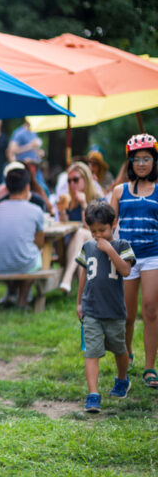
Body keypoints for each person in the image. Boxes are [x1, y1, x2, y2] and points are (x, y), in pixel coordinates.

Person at [75, 203, 135, 413]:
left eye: (102, 230)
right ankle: (93, 394)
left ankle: (122, 379)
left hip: (114, 311)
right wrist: (79, 301)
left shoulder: (122, 245)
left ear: (113, 224)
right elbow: (83, 274)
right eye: (93, 231)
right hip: (91, 309)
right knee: (91, 352)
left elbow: (125, 270)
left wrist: (110, 249)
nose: (98, 235)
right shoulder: (88, 247)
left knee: (120, 349)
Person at [111, 134, 158, 388]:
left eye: (146, 159)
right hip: (127, 258)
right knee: (127, 314)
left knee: (150, 310)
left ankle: (150, 367)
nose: (141, 164)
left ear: (154, 161)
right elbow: (109, 226)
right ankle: (127, 352)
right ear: (130, 162)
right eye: (137, 159)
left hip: (153, 256)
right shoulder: (119, 191)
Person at [0, 168, 44, 307]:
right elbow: (40, 242)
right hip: (25, 264)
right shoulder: (35, 210)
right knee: (35, 255)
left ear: (7, 188)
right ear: (27, 187)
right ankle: (23, 298)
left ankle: (12, 292)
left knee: (12, 252)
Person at [57, 162, 105, 293]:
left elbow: (92, 230)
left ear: (86, 179)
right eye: (69, 181)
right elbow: (66, 227)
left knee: (81, 233)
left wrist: (84, 205)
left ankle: (67, 278)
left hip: (98, 242)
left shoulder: (98, 200)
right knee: (80, 241)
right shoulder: (70, 201)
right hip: (76, 246)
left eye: (76, 180)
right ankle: (83, 291)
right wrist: (62, 211)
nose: (72, 184)